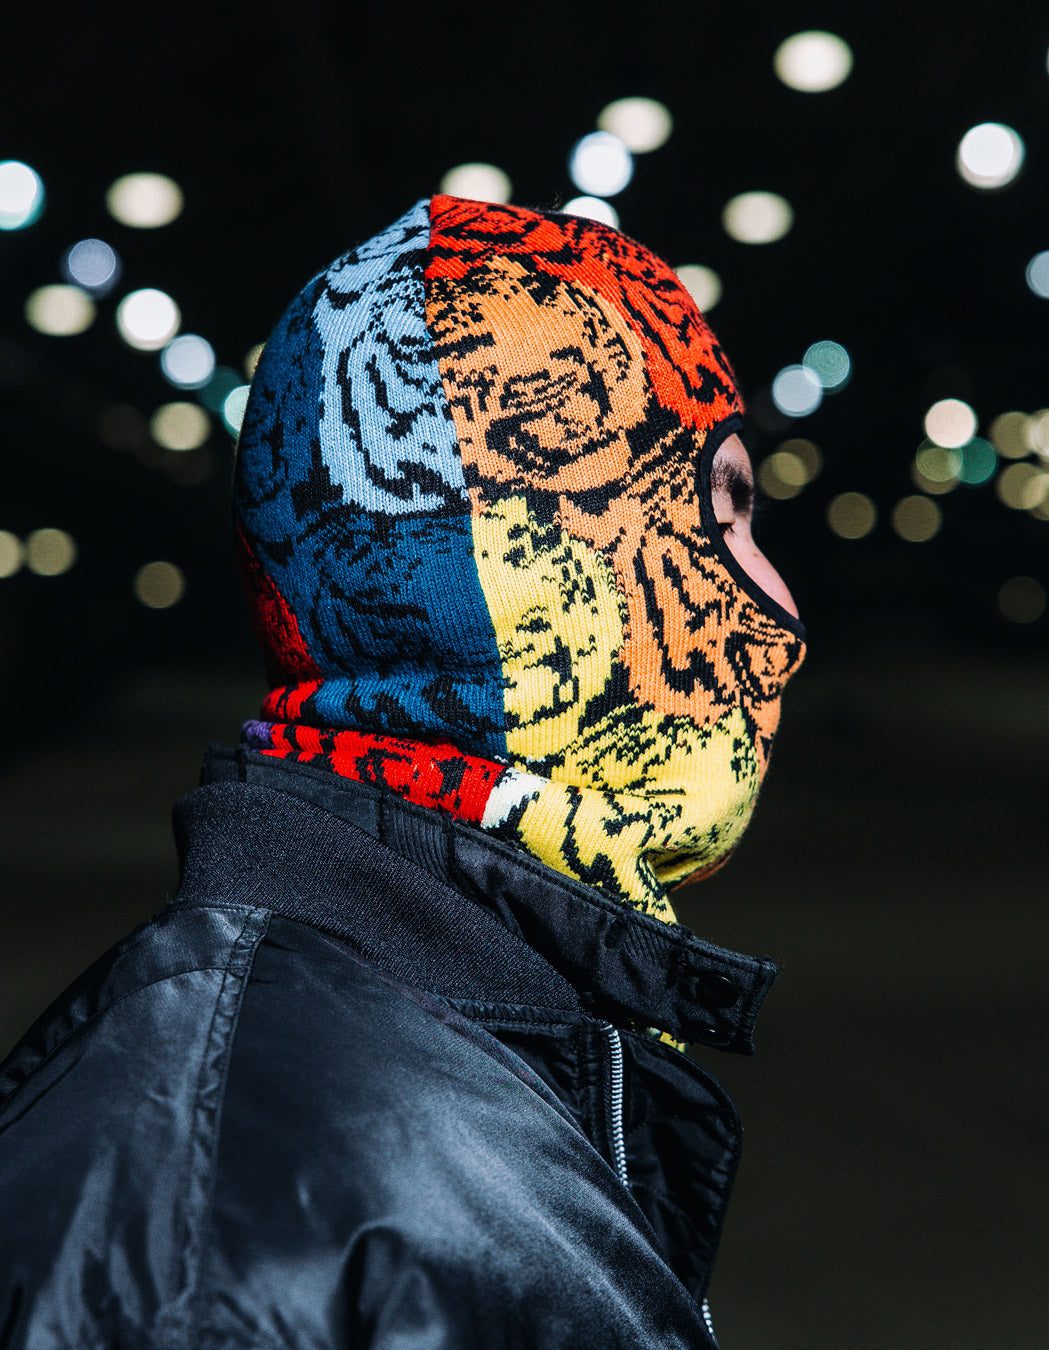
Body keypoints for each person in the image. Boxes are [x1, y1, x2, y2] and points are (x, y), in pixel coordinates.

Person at [0, 195, 806, 1348]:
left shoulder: (461, 1034)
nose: (783, 614)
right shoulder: (205, 1256)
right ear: (528, 553)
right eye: (724, 510)